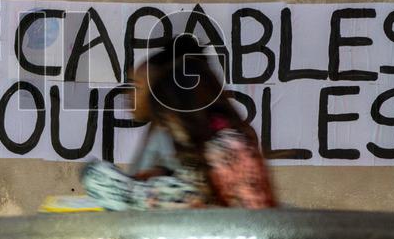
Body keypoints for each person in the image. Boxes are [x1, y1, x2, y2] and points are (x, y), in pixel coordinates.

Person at [82, 34, 276, 210]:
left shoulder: (226, 148)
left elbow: (203, 203)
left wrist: (134, 193)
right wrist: (163, 175)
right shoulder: (210, 146)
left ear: (186, 109)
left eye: (167, 117)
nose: (166, 127)